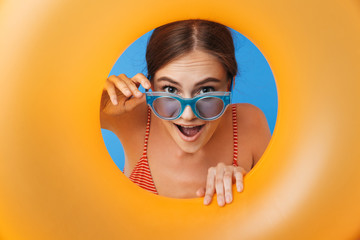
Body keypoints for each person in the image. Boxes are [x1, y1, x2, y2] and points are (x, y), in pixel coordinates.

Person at [100, 19, 271, 207]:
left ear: (230, 85)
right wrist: (96, 103)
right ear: (151, 86)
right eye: (170, 90)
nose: (188, 114)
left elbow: (279, 208)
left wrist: (248, 188)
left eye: (206, 91)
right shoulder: (133, 118)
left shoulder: (249, 124)